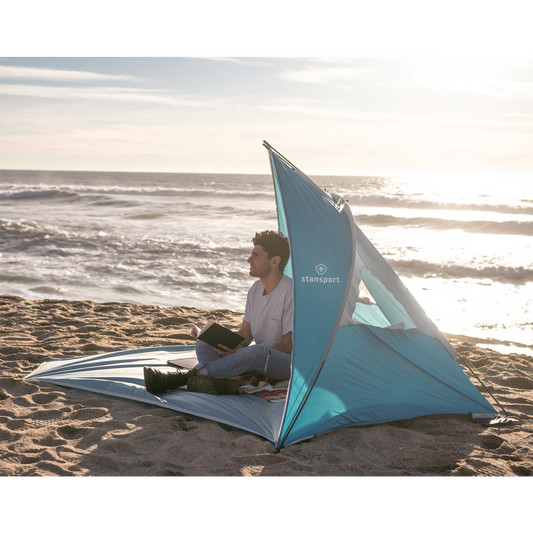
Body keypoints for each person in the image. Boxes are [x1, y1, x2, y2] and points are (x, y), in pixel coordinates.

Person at [144, 230, 293, 396]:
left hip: (287, 364)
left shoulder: (291, 292)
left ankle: (181, 379)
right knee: (205, 343)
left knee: (257, 351)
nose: (249, 259)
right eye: (251, 254)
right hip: (257, 360)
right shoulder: (255, 290)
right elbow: (245, 334)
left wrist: (243, 354)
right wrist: (215, 337)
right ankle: (223, 383)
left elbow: (289, 345)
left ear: (275, 261)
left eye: (256, 255)